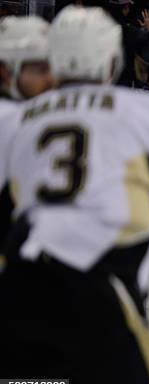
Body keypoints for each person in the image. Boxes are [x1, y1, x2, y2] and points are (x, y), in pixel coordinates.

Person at [0, 5, 149, 384]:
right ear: (113, 60)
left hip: (20, 288)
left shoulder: (21, 119)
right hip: (97, 291)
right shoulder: (143, 109)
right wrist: (144, 225)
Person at [0, 15, 53, 262]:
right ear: (7, 70)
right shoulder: (10, 118)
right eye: (40, 69)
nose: (50, 79)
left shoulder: (35, 116)